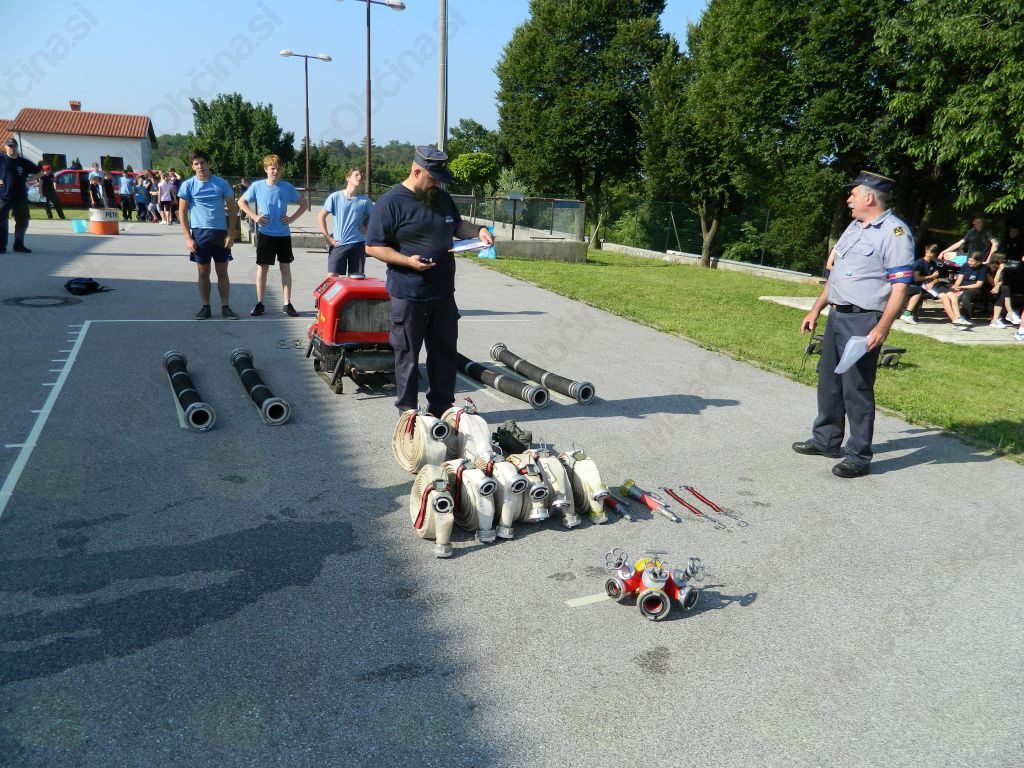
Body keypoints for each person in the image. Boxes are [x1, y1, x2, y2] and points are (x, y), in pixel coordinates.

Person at [794, 170, 913, 478]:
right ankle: (826, 439)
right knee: (829, 381)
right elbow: (836, 275)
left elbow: (900, 288)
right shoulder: (854, 227)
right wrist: (816, 309)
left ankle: (858, 455)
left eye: (853, 194)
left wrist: (882, 327)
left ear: (869, 197)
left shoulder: (895, 233)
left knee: (856, 387)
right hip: (837, 315)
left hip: (863, 320)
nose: (849, 199)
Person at [365, 146, 495, 417]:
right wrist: (407, 261)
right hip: (409, 294)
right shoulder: (390, 202)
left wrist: (479, 230)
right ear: (416, 172)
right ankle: (408, 416)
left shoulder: (441, 197)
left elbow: (456, 226)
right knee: (408, 357)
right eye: (433, 179)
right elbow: (373, 246)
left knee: (444, 355)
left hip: (443, 293)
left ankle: (441, 410)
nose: (438, 184)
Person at [237, 154, 308, 317]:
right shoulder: (257, 186)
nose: (275, 171)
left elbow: (304, 204)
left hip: (283, 234)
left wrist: (292, 218)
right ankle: (260, 303)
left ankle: (287, 303)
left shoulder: (286, 187)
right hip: (266, 234)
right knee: (262, 268)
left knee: (285, 268)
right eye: (272, 168)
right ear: (266, 169)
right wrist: (254, 217)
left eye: (278, 168)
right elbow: (241, 202)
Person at [176, 150, 239, 320]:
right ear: (192, 166)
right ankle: (205, 307)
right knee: (203, 272)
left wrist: (231, 234)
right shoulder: (188, 185)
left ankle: (225, 307)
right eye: (196, 164)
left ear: (209, 163)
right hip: (200, 234)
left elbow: (233, 210)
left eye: (202, 162)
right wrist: (188, 238)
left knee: (222, 272)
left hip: (220, 233)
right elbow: (181, 212)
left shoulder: (221, 184)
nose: (200, 166)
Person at [319, 168, 373, 277]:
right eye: (356, 175)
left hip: (358, 244)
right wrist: (327, 237)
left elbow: (376, 217)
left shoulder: (365, 201)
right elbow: (321, 216)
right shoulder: (335, 197)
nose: (360, 177)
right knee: (332, 277)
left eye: (361, 176)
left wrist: (367, 228)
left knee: (356, 279)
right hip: (338, 244)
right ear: (348, 178)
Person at [0, 138, 41, 253]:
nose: (12, 149)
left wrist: (29, 179)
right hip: (3, 196)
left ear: (17, 147)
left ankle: (18, 245)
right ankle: (1, 246)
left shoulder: (24, 162)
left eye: (14, 146)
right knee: (1, 222)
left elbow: (40, 172)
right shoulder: (1, 159)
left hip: (20, 197)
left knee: (23, 221)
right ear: (5, 147)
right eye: (9, 146)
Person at [941, 251, 988, 329]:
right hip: (962, 286)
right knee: (951, 294)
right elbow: (960, 278)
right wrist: (956, 286)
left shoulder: (983, 268)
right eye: (969, 260)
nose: (970, 263)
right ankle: (955, 318)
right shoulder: (965, 265)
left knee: (966, 296)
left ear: (979, 262)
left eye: (972, 261)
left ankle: (966, 318)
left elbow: (978, 284)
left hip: (975, 288)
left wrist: (963, 287)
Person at [899, 242, 942, 324]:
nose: (929, 255)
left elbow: (937, 278)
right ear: (925, 252)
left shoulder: (933, 264)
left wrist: (932, 282)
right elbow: (916, 278)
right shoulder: (919, 263)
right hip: (913, 285)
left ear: (935, 254)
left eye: (931, 253)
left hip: (926, 285)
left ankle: (908, 314)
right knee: (918, 291)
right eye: (927, 252)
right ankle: (907, 314)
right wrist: (931, 276)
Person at [984, 253, 1019, 329]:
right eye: (1003, 260)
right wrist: (999, 270)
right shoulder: (987, 268)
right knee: (1004, 289)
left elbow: (1000, 282)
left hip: (996, 290)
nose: (1004, 261)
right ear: (998, 260)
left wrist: (998, 286)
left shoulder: (1001, 268)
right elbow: (993, 283)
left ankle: (996, 320)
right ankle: (1009, 314)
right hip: (986, 291)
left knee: (1004, 289)